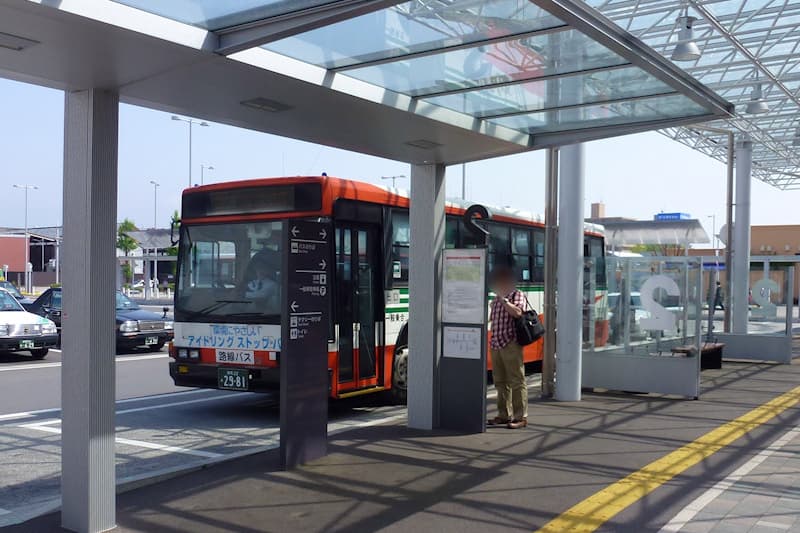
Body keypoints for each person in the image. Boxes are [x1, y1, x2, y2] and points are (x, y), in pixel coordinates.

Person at [487, 265, 528, 429]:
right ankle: (503, 414)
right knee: (500, 381)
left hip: (510, 342)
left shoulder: (516, 294)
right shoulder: (496, 299)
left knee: (517, 380)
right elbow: (493, 320)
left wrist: (503, 300)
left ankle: (520, 417)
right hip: (496, 342)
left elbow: (518, 312)